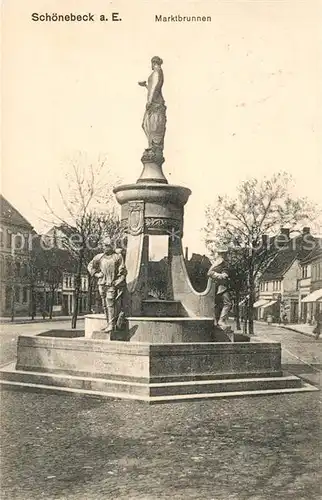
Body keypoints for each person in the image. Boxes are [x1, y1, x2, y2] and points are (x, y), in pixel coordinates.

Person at [87, 238, 127, 335]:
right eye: (104, 245)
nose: (104, 247)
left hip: (111, 284)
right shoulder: (99, 257)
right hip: (101, 284)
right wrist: (96, 274)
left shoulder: (117, 257)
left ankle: (111, 324)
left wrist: (118, 281)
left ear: (111, 246)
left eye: (106, 245)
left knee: (110, 303)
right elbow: (90, 266)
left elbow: (123, 272)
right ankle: (108, 323)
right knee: (104, 305)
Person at [138, 56, 167, 161]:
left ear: (153, 63)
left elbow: (154, 87)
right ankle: (152, 146)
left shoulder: (156, 72)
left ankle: (153, 146)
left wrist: (149, 101)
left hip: (155, 104)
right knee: (146, 125)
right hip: (156, 103)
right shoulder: (159, 72)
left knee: (150, 125)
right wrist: (146, 85)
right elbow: (153, 88)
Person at [207, 247, 233, 331]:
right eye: (225, 253)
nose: (227, 255)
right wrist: (222, 276)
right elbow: (210, 273)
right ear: (222, 254)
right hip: (222, 287)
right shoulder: (221, 262)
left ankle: (217, 321)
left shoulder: (221, 262)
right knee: (228, 304)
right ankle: (221, 321)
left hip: (221, 287)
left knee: (219, 305)